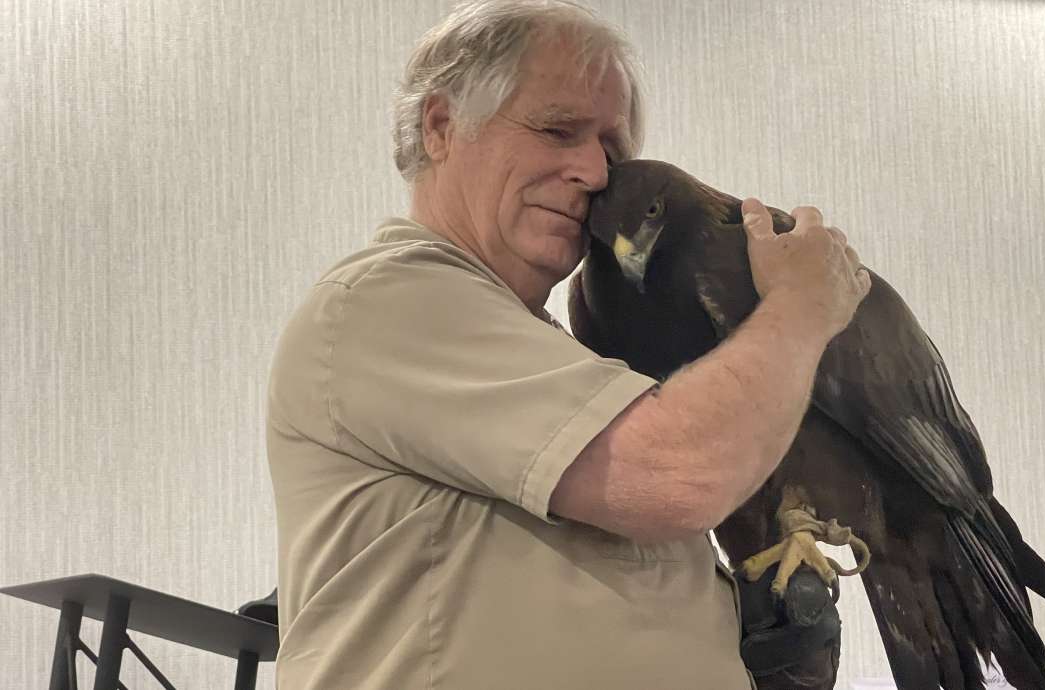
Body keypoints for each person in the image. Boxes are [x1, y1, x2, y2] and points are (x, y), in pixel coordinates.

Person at [265, 1, 871, 688]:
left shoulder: (556, 352)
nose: (595, 172)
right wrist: (801, 304)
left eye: (612, 150)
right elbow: (678, 476)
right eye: (557, 130)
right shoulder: (391, 300)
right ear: (440, 127)